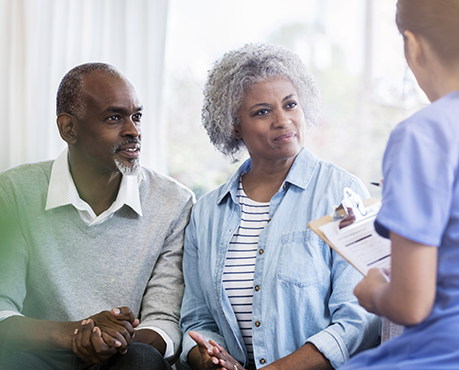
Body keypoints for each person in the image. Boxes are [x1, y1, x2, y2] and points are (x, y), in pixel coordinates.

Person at [179, 43, 380, 370]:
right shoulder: (206, 214)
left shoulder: (344, 194)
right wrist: (208, 358)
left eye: (290, 104)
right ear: (234, 125)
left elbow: (360, 319)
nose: (283, 120)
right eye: (262, 111)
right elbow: (196, 318)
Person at [0, 63, 195, 369]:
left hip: (125, 356)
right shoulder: (15, 192)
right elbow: (2, 310)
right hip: (41, 355)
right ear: (69, 129)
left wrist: (110, 342)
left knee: (142, 360)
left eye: (137, 116)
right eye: (114, 117)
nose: (133, 131)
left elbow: (164, 320)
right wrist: (75, 334)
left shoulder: (174, 202)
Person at [338, 0, 459, 369]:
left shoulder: (423, 134)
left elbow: (411, 305)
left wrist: (373, 293)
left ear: (413, 46)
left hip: (450, 351)